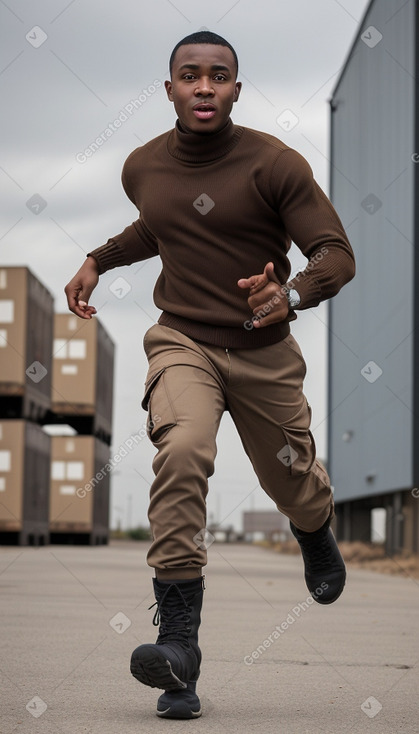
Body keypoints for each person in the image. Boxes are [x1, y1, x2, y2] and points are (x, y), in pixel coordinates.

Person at [65, 30, 355, 720]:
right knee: (183, 449)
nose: (203, 86)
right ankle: (178, 651)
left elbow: (334, 254)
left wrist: (287, 294)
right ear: (168, 88)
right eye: (189, 75)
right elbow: (157, 227)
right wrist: (98, 259)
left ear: (234, 90)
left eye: (218, 76)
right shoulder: (142, 167)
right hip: (181, 342)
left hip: (263, 351)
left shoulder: (274, 164)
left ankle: (314, 530)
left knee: (292, 478)